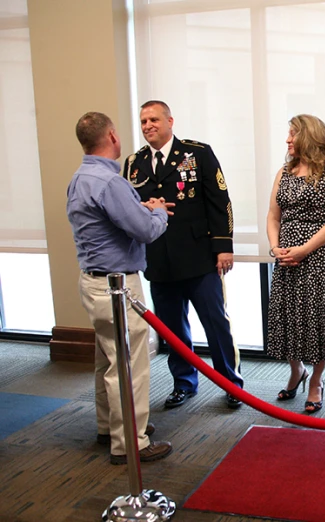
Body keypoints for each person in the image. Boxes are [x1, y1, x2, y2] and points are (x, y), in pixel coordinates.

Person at [67, 111, 173, 465]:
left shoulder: (80, 177)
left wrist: (137, 209)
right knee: (130, 366)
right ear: (112, 136)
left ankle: (107, 427)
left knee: (107, 360)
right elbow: (145, 230)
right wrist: (156, 211)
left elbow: (108, 220)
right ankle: (130, 442)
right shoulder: (111, 182)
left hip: (91, 281)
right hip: (117, 286)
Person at [124, 100, 244, 410]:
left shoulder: (197, 153)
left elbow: (220, 201)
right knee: (172, 330)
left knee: (215, 323)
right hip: (159, 260)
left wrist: (224, 247)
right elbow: (127, 210)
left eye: (154, 119)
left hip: (199, 258)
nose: (148, 125)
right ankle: (184, 383)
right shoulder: (134, 163)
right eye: (144, 121)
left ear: (169, 121)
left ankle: (231, 384)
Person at [266, 114, 325, 414]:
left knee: (319, 322)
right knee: (288, 319)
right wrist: (276, 247)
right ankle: (296, 370)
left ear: (310, 137)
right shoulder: (284, 172)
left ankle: (316, 380)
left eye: (293, 134)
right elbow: (273, 216)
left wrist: (302, 250)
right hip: (286, 259)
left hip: (320, 258)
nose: (287, 140)